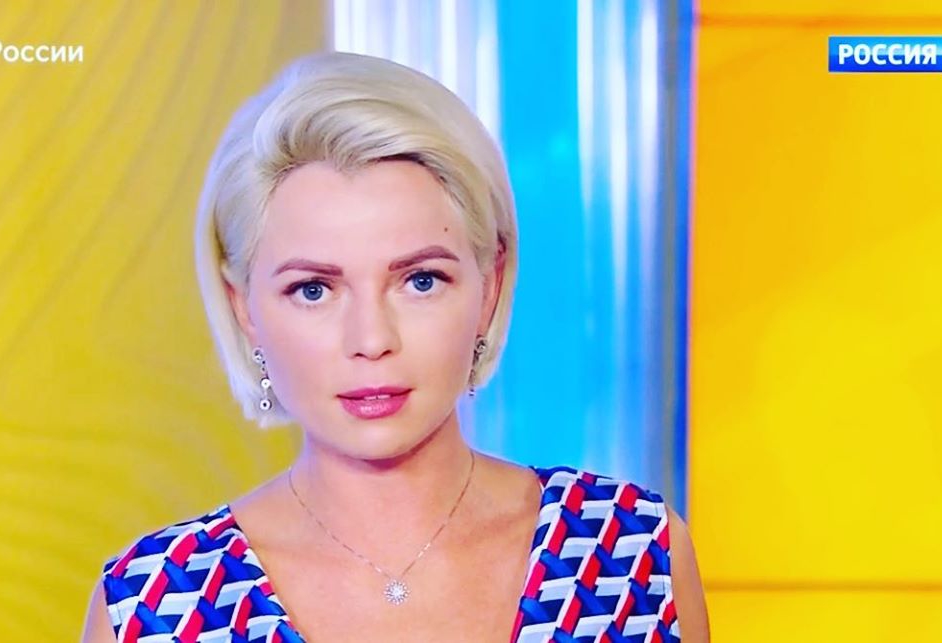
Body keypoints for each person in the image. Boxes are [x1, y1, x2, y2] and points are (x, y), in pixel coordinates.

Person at [81, 51, 709, 643]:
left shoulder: (630, 552)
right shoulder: (155, 605)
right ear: (244, 307)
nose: (372, 340)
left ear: (489, 285)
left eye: (420, 281)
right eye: (313, 290)